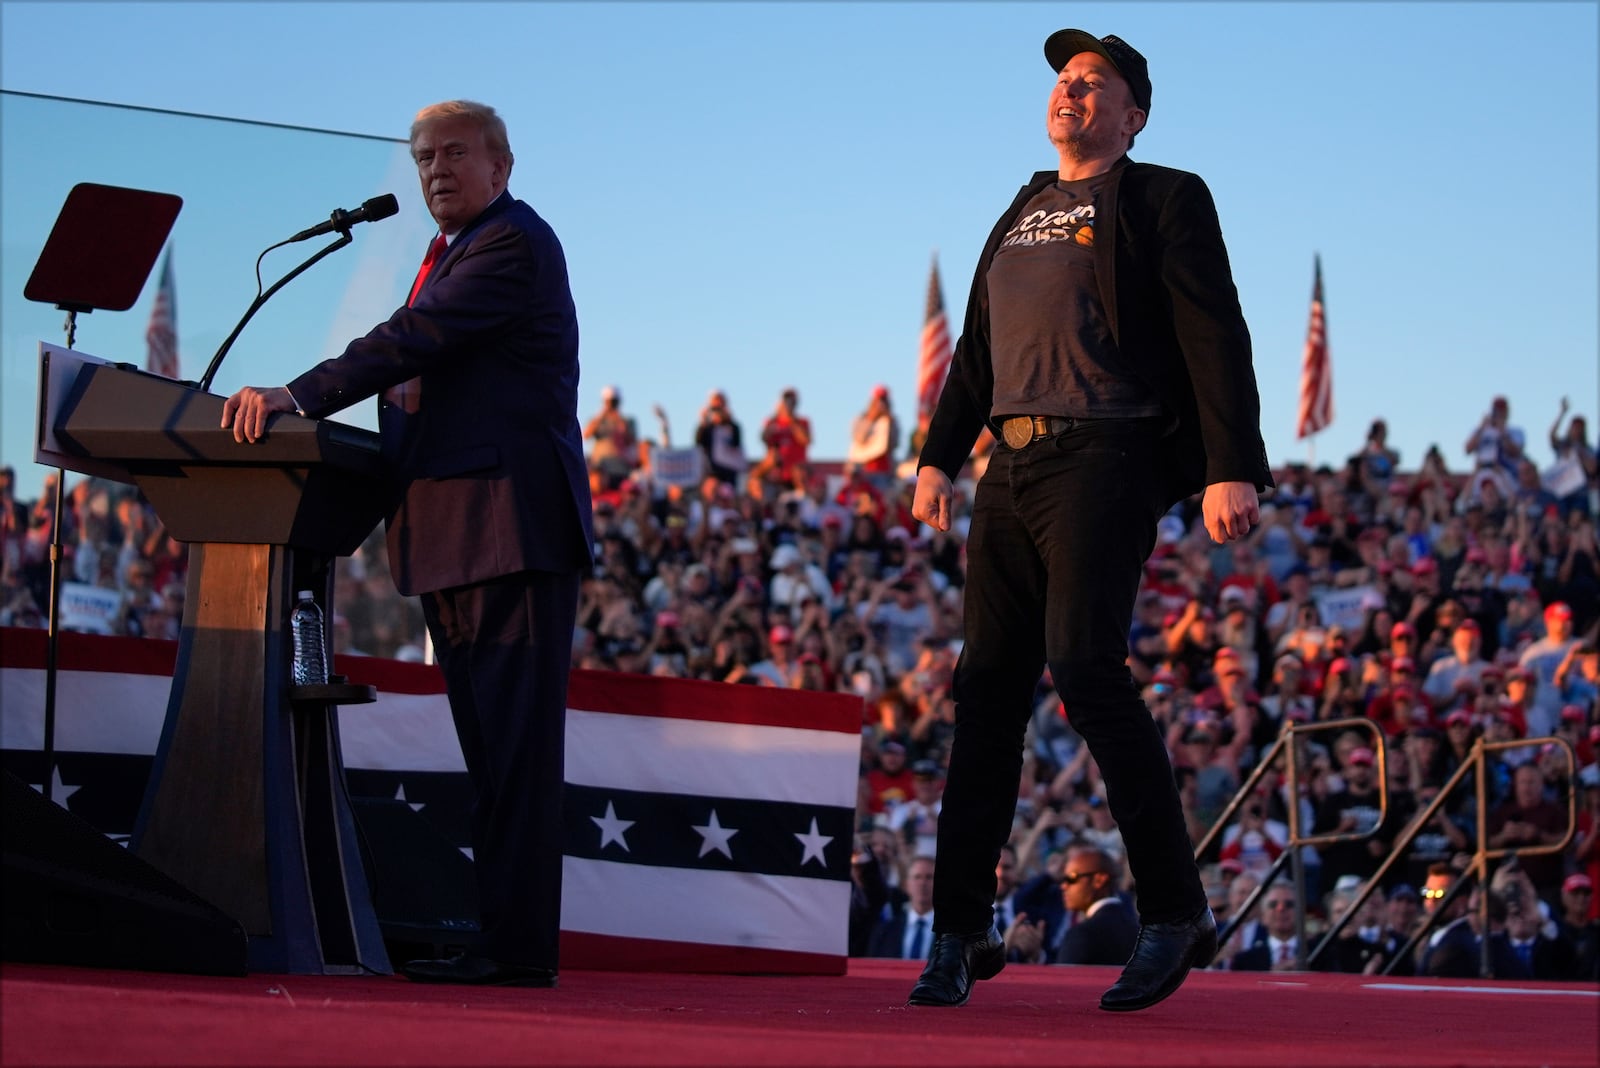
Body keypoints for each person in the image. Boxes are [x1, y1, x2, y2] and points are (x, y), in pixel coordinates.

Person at [906, 29, 1271, 1013]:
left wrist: (1230, 466)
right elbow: (977, 352)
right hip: (1009, 466)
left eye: (1093, 81)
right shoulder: (1022, 208)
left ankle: (1171, 910)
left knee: (1081, 667)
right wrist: (939, 452)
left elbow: (1213, 329)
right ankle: (959, 931)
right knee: (982, 692)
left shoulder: (1161, 197)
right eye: (1063, 79)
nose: (1070, 89)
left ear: (1132, 114)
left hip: (1105, 449)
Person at [221, 100, 591, 988]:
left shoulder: (510, 244)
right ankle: (503, 941)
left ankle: (516, 950)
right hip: (457, 536)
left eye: (455, 154)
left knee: (515, 760)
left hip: (508, 530)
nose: (434, 171)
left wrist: (301, 395)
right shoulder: (449, 257)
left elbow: (413, 340)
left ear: (503, 166)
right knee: (491, 759)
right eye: (424, 157)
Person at [846, 385, 901, 484]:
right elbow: (859, 438)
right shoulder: (860, 419)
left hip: (884, 471)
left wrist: (889, 425)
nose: (880, 405)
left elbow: (894, 444)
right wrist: (871, 418)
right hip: (863, 469)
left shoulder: (892, 421)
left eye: (884, 401)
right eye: (877, 401)